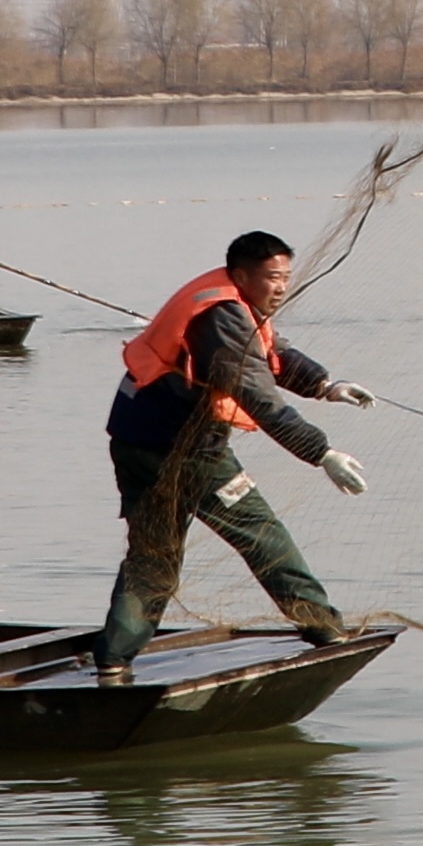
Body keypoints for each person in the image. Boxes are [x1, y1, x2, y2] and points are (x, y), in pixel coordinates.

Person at [93, 230, 375, 685]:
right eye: (272, 278)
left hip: (134, 439)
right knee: (262, 534)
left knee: (153, 556)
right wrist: (321, 453)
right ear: (241, 275)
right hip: (185, 451)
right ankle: (326, 630)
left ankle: (112, 660)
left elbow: (271, 352)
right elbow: (261, 399)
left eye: (285, 277)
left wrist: (325, 385)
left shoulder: (229, 303)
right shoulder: (221, 318)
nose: (281, 286)